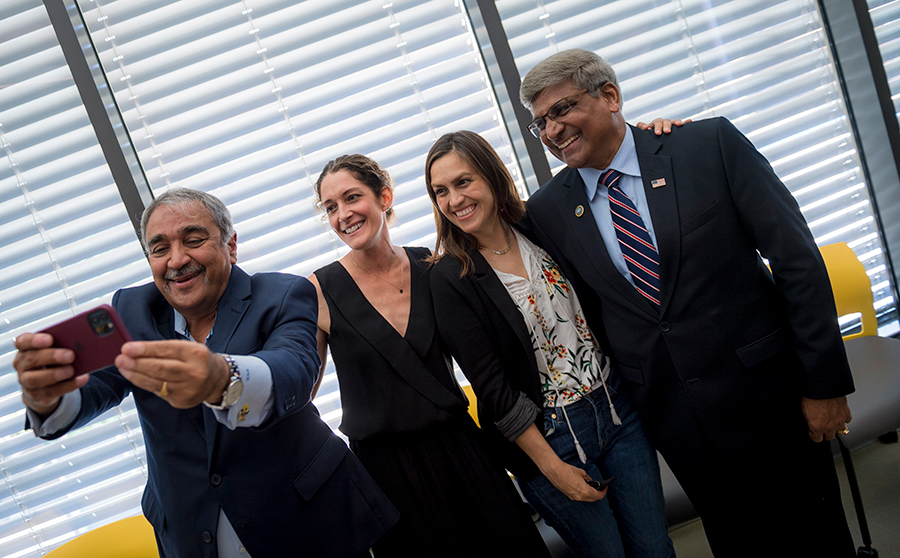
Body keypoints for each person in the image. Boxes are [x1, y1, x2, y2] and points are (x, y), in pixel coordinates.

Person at [519, 48, 856, 557]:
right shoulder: (547, 210)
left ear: (610, 96)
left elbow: (798, 263)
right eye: (540, 122)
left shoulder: (706, 146)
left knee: (816, 537)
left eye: (562, 109)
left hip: (771, 398)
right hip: (676, 420)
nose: (552, 130)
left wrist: (824, 385)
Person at [13, 189, 398, 558]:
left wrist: (221, 378)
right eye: (159, 249)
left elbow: (294, 370)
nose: (177, 260)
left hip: (311, 526)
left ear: (230, 245)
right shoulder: (133, 311)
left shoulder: (283, 294)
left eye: (193, 240)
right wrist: (47, 397)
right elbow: (92, 390)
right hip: (190, 535)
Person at [426, 131, 676, 558]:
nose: (453, 200)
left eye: (463, 182)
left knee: (655, 549)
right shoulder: (449, 277)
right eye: (440, 191)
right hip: (549, 437)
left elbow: (605, 162)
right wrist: (552, 468)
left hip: (617, 411)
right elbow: (493, 389)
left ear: (490, 175)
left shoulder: (541, 223)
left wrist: (657, 135)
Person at [308, 154, 551, 558]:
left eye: (352, 198)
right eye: (330, 207)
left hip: (464, 451)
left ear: (384, 196)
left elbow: (487, 357)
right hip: (387, 474)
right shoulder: (318, 290)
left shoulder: (432, 266)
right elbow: (300, 391)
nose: (342, 215)